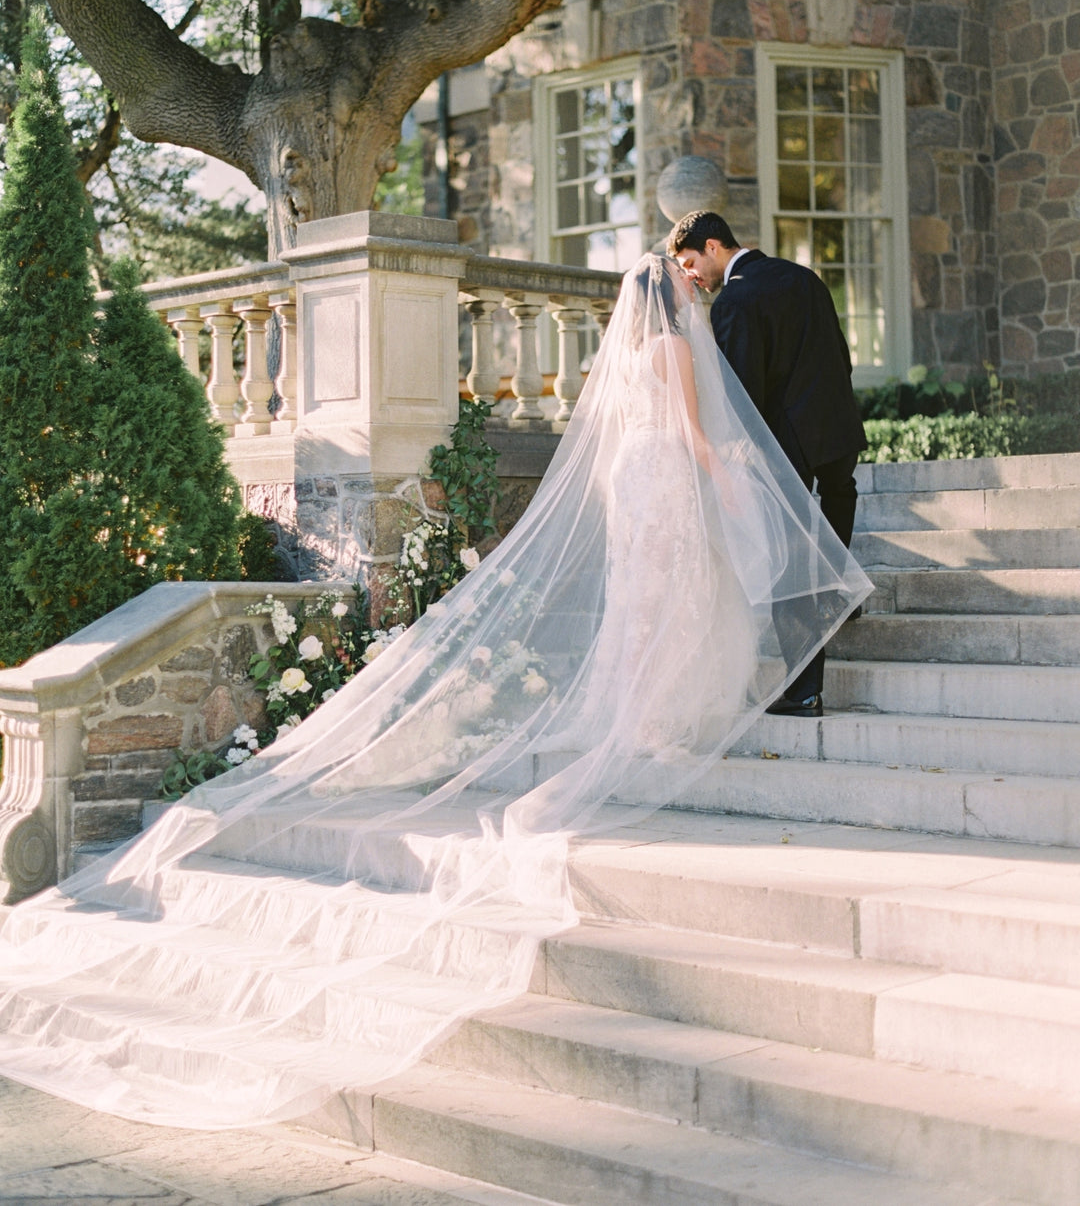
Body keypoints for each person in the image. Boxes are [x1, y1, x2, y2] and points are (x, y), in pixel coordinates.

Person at [0, 255, 869, 1132]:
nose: (693, 293)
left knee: (643, 608)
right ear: (669, 295)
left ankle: (636, 710)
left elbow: (615, 444)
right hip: (667, 478)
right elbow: (690, 429)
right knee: (677, 602)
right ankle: (660, 715)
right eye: (683, 287)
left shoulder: (629, 356)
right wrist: (726, 475)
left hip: (632, 483)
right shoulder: (676, 354)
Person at [668, 211, 867, 719]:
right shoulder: (803, 276)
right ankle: (840, 591)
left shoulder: (735, 299)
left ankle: (804, 691)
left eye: (691, 262)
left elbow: (741, 393)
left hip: (786, 444)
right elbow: (839, 355)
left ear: (713, 246)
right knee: (837, 505)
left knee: (790, 565)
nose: (691, 275)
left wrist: (728, 456)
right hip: (837, 426)